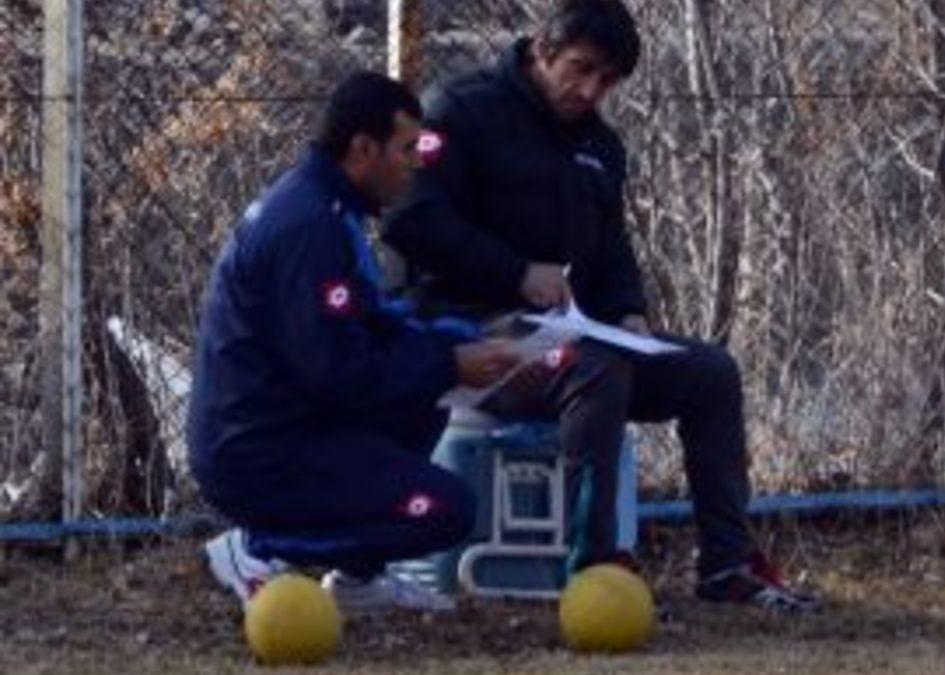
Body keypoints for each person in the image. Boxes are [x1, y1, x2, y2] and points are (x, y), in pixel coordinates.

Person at [384, 0, 818, 612]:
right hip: (467, 333)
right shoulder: (459, 111)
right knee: (594, 368)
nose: (590, 91)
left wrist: (627, 311)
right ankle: (593, 568)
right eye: (580, 69)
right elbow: (409, 220)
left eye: (607, 81)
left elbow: (610, 248)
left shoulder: (600, 146)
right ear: (542, 49)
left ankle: (728, 562)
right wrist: (515, 273)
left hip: (561, 335)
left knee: (710, 373)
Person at [187, 72, 519, 614]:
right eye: (406, 149)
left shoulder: (326, 209)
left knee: (426, 391)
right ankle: (260, 548)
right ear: (363, 148)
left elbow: (369, 325)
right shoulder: (309, 228)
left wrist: (467, 341)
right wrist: (448, 363)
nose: (416, 164)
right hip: (258, 450)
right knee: (444, 509)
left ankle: (356, 579)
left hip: (287, 424)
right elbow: (337, 370)